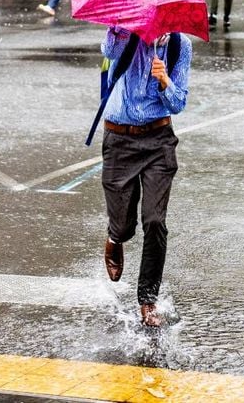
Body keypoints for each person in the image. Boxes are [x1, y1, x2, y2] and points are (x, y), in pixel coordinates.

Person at [100, 27, 192, 327]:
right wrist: (118, 27)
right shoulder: (123, 35)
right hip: (119, 139)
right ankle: (115, 237)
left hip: (158, 140)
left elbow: (179, 103)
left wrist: (165, 80)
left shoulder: (179, 45)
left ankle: (148, 300)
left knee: (154, 221)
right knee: (123, 224)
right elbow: (109, 52)